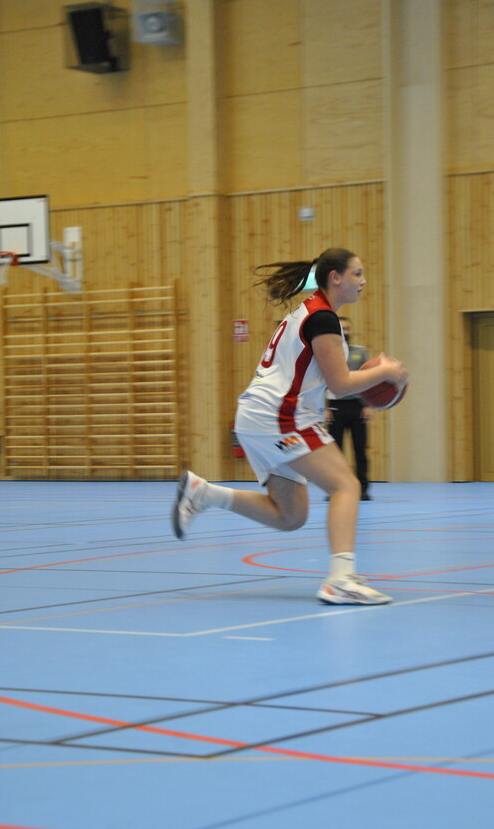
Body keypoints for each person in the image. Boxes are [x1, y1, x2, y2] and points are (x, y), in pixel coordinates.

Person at [172, 247, 407, 605]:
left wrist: (374, 375)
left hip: (262, 415)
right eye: (357, 273)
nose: (363, 281)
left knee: (290, 516)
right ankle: (341, 580)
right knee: (346, 485)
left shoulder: (313, 311)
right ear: (335, 277)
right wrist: (386, 372)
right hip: (279, 416)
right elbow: (341, 384)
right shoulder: (322, 318)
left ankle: (203, 494)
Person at [325, 317, 372, 501]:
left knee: (360, 450)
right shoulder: (327, 353)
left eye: (347, 328)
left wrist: (367, 405)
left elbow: (369, 379)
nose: (345, 332)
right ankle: (335, 489)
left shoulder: (360, 352)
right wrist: (324, 408)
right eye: (341, 328)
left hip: (357, 406)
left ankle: (362, 489)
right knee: (335, 452)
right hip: (335, 406)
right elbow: (320, 381)